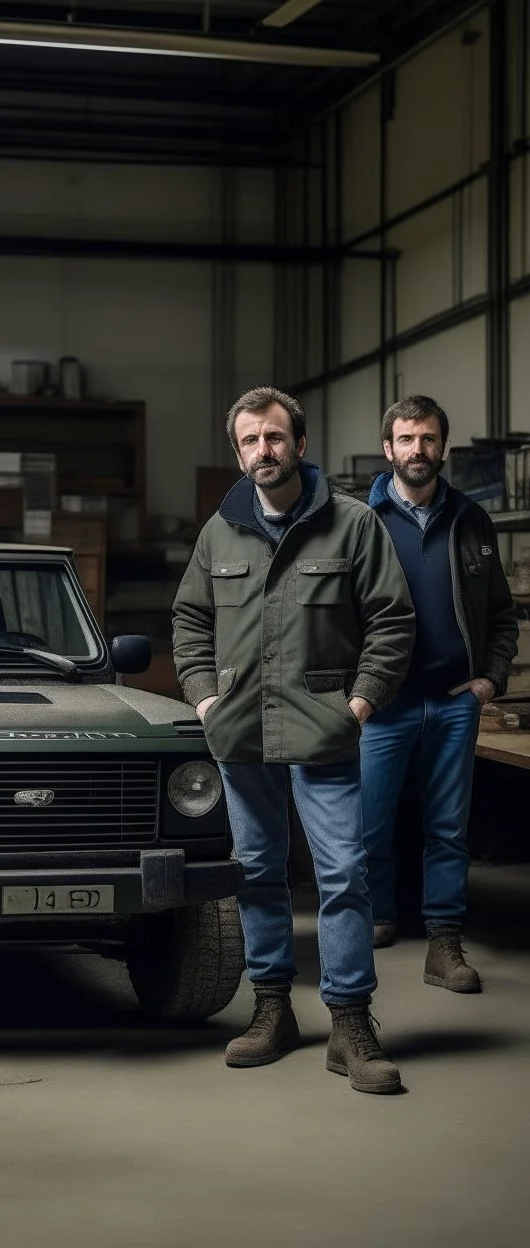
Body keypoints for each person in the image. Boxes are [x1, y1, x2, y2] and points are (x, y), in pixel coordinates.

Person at [172, 385, 415, 1094]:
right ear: (238, 451)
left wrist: (361, 702)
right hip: (240, 729)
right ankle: (272, 1009)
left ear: (299, 445)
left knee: (342, 874)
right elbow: (189, 620)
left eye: (274, 438)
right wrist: (206, 698)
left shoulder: (353, 524)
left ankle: (350, 1023)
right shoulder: (220, 531)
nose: (263, 452)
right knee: (255, 871)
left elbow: (391, 623)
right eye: (249, 441)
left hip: (325, 731)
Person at [361, 395, 518, 989]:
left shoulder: (471, 519)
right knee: (370, 822)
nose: (417, 450)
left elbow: (501, 615)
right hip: (383, 704)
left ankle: (444, 941)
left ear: (442, 448)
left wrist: (488, 681)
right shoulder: (360, 520)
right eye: (406, 440)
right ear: (389, 449)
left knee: (448, 828)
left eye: (428, 439)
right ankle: (377, 914)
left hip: (455, 700)